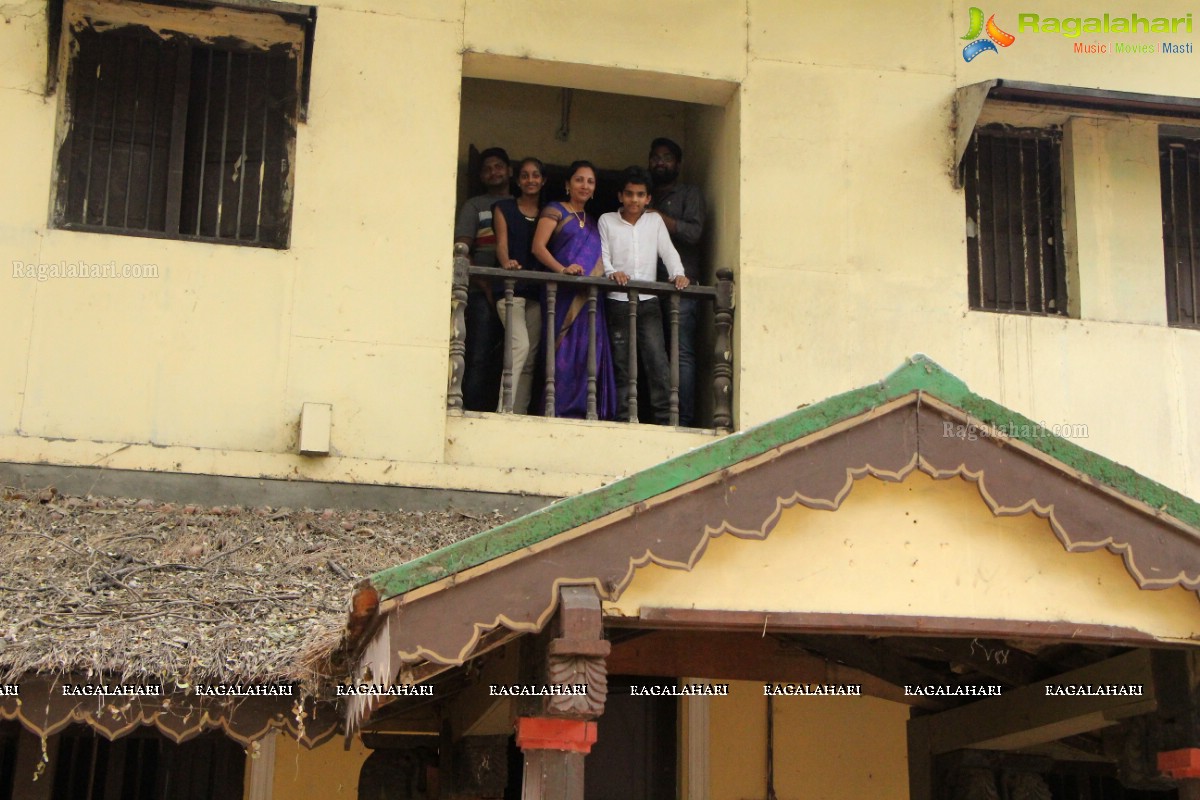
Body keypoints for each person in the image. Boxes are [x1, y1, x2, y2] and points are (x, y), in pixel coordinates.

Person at [600, 166, 689, 425]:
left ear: (648, 198)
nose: (634, 200)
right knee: (622, 362)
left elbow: (668, 251)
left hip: (648, 302)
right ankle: (624, 418)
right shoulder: (606, 220)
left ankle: (664, 419)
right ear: (620, 196)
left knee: (657, 362)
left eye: (640, 195)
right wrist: (612, 272)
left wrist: (678, 274)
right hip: (617, 301)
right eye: (629, 194)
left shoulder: (655, 221)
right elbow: (604, 255)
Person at [531, 160, 617, 420]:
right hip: (561, 296)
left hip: (590, 300)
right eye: (579, 179)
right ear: (568, 184)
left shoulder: (594, 222)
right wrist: (562, 270)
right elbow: (538, 247)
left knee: (587, 352)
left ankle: (583, 410)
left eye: (590, 181)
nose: (585, 185)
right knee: (561, 353)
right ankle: (556, 409)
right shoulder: (555, 210)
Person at [648, 137, 705, 427]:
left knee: (680, 354)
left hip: (681, 287)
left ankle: (682, 419)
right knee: (652, 353)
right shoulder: (645, 196)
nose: (660, 162)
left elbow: (694, 233)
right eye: (656, 157)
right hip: (648, 287)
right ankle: (657, 416)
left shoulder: (689, 193)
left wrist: (660, 218)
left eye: (667, 157)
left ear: (678, 164)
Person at [454, 147, 511, 411]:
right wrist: (485, 285)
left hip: (515, 293)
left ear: (509, 171)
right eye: (487, 168)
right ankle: (474, 409)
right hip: (479, 293)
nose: (493, 172)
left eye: (498, 166)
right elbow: (462, 251)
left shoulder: (520, 204)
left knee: (513, 356)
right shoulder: (474, 205)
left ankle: (503, 408)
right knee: (479, 353)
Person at [492, 157, 546, 414]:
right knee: (519, 346)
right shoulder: (504, 208)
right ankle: (505, 409)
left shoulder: (549, 213)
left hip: (536, 293)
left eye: (535, 175)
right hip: (510, 290)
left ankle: (519, 413)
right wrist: (506, 262)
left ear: (543, 180)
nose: (530, 180)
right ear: (518, 181)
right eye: (525, 175)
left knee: (529, 360)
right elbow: (501, 243)